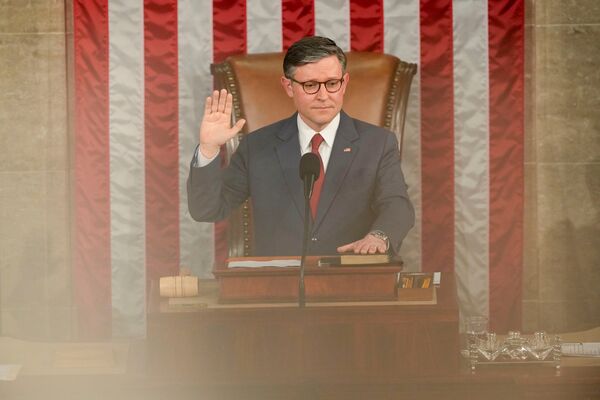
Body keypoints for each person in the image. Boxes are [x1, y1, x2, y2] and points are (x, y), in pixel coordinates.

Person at [187, 36, 414, 257]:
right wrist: (208, 149)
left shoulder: (377, 143)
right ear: (288, 86)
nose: (323, 96)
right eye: (310, 85)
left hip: (351, 279)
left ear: (344, 83)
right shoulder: (256, 146)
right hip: (277, 287)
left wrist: (379, 236)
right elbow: (207, 209)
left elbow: (397, 205)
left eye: (332, 84)